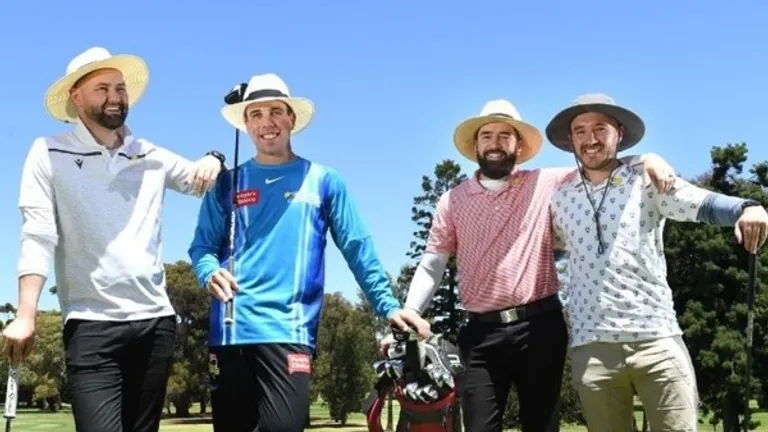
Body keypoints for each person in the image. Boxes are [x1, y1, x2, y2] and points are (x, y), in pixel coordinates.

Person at [392, 98, 676, 432]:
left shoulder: (545, 183)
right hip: (480, 334)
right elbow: (432, 264)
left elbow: (598, 162)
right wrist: (411, 310)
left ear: (518, 145)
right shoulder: (452, 200)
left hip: (539, 328)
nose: (495, 143)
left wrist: (646, 159)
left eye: (504, 136)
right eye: (487, 136)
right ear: (476, 145)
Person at [188, 72, 430, 432]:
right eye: (255, 114)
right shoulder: (226, 183)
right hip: (231, 332)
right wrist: (208, 271)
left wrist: (389, 306)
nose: (266, 122)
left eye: (276, 111)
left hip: (290, 330)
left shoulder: (324, 180)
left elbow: (357, 247)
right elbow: (202, 247)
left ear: (292, 119)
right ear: (246, 124)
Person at [2, 46, 227, 432]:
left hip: (155, 322)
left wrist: (214, 158)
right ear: (76, 97)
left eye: (120, 89)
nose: (114, 97)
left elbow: (197, 180)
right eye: (102, 88)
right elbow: (38, 234)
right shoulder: (48, 151)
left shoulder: (150, 154)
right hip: (91, 325)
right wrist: (26, 314)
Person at [546, 93, 768, 432]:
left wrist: (746, 207)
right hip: (592, 349)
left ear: (619, 133)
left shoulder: (646, 180)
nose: (590, 138)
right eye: (580, 130)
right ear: (571, 139)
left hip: (656, 339)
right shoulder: (560, 198)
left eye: (600, 128)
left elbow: (700, 203)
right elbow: (541, 248)